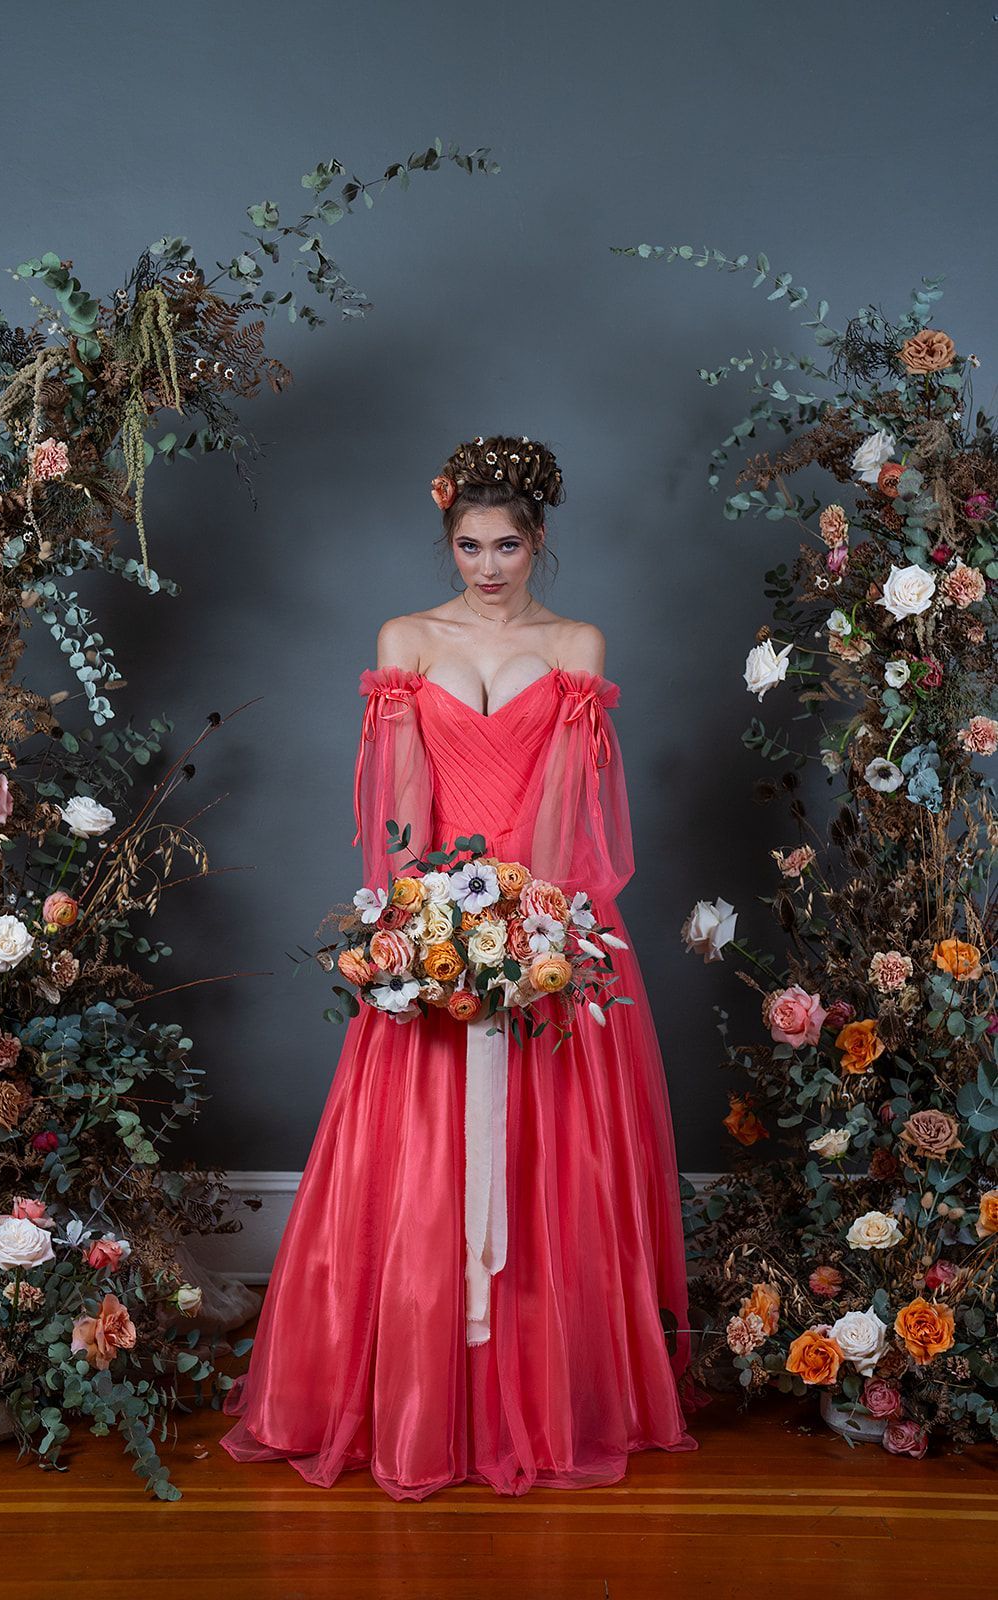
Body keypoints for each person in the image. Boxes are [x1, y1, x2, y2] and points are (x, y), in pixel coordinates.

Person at [220, 433, 697, 1499]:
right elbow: (398, 808)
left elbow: (568, 810)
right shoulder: (408, 638)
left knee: (555, 1159)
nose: (488, 566)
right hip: (433, 916)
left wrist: (542, 932)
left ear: (539, 544)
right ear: (449, 540)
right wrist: (408, 926)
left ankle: (545, 1393)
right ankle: (419, 1392)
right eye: (471, 546)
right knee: (417, 1150)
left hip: (540, 916)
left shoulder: (577, 645)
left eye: (509, 546)